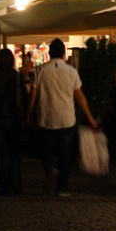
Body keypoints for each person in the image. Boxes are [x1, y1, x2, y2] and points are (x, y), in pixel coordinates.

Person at [28, 37, 97, 197]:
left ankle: (51, 168)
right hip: (67, 119)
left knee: (46, 150)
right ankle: (62, 188)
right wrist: (90, 117)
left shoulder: (40, 70)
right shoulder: (71, 71)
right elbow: (80, 96)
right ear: (64, 54)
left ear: (50, 53)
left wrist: (29, 112)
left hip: (46, 118)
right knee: (65, 154)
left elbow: (33, 93)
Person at [0, 48, 28, 196]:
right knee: (15, 153)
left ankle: (4, 186)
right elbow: (25, 97)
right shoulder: (17, 77)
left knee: (2, 154)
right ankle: (16, 184)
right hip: (15, 119)